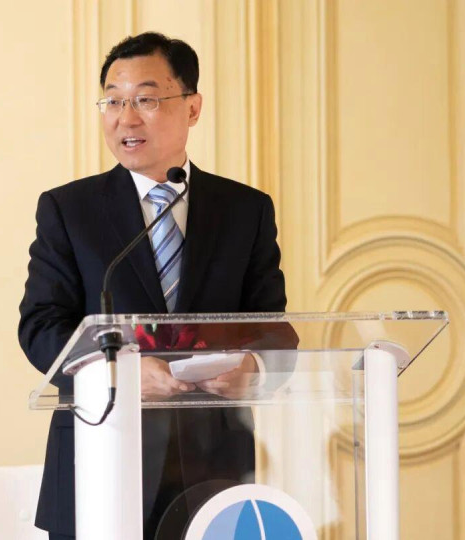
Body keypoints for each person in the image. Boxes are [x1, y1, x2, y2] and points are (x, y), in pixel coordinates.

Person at [18, 32, 287, 540]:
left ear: (192, 107)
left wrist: (252, 369)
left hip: (213, 469)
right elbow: (41, 327)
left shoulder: (245, 210)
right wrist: (117, 373)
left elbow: (272, 328)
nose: (126, 118)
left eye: (145, 99)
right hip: (101, 458)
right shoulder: (69, 210)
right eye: (113, 101)